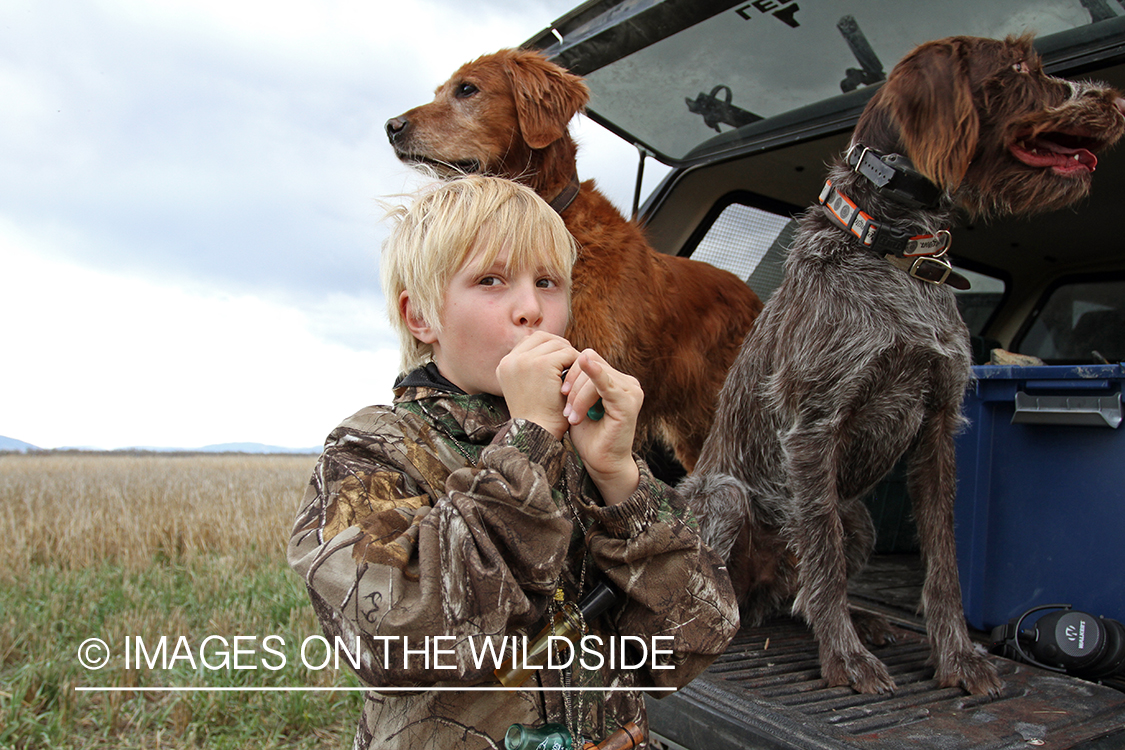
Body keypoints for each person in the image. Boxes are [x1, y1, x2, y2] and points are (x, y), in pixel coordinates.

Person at [287, 175, 739, 750]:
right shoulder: (370, 450)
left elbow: (692, 643)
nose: (531, 309)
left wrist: (620, 479)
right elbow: (398, 637)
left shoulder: (585, 448)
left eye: (548, 282)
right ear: (420, 316)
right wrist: (528, 445)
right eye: (491, 280)